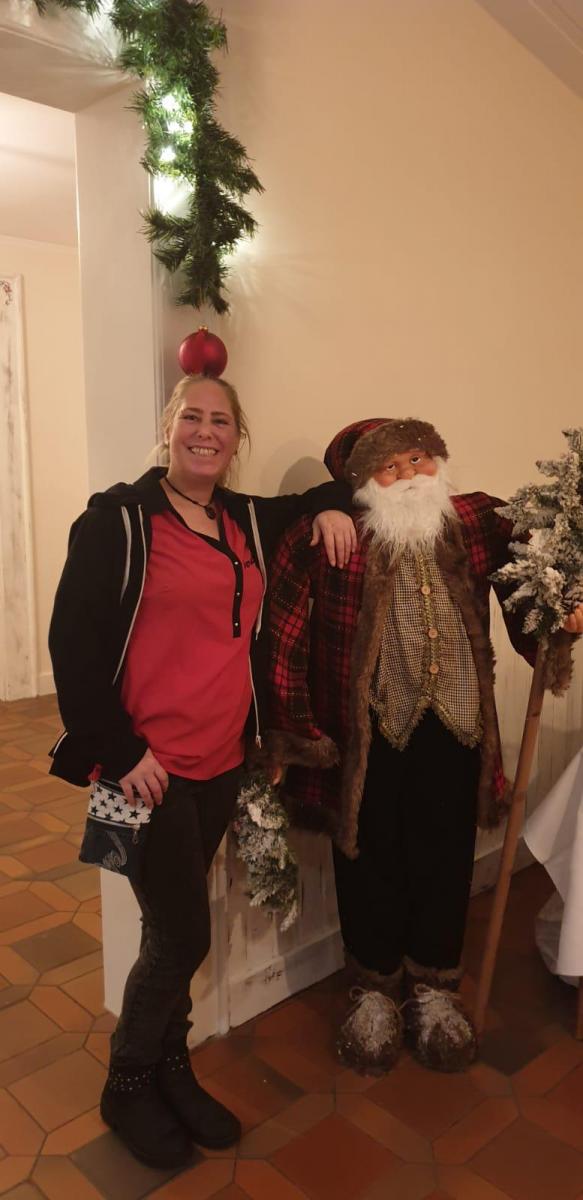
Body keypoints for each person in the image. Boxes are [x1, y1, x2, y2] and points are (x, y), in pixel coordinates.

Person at [48, 374, 356, 1169]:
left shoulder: (244, 518)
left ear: (235, 436)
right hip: (147, 772)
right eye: (192, 416)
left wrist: (331, 509)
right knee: (180, 934)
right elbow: (72, 650)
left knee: (173, 934)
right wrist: (122, 753)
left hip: (223, 763)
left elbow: (333, 487)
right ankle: (127, 1082)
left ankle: (170, 1065)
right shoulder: (118, 521)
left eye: (221, 420)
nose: (205, 432)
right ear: (168, 425)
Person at [267, 417, 583, 1074]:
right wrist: (296, 727)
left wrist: (560, 614)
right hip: (367, 734)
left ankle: (435, 985)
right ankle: (374, 989)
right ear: (362, 483)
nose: (411, 475)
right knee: (368, 855)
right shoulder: (332, 537)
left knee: (445, 853)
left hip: (457, 726)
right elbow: (284, 634)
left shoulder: (474, 521)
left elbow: (535, 571)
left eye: (419, 459)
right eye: (392, 467)